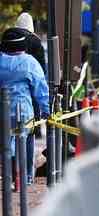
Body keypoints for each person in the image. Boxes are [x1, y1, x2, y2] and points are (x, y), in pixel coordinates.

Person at [0, 29, 49, 185]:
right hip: (24, 111)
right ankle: (25, 177)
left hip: (3, 112)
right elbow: (41, 89)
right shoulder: (30, 62)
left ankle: (9, 177)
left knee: (7, 145)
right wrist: (46, 110)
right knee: (23, 141)